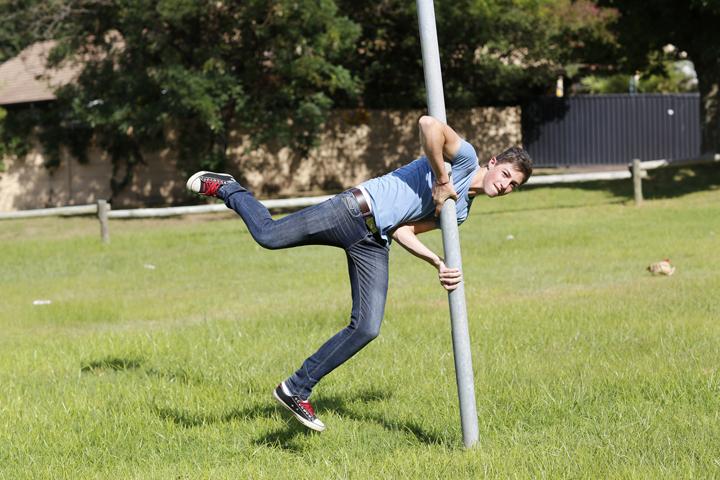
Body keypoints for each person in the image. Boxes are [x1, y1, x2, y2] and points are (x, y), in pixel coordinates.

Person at [186, 116, 533, 432]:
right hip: (352, 210)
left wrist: (437, 262)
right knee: (269, 236)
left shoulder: (460, 213)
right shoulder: (465, 159)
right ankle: (229, 188)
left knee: (367, 326)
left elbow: (403, 230)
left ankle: (296, 388)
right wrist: (443, 180)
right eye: (505, 175)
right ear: (492, 163)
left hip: (374, 242)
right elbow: (428, 124)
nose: (505, 186)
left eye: (513, 185)